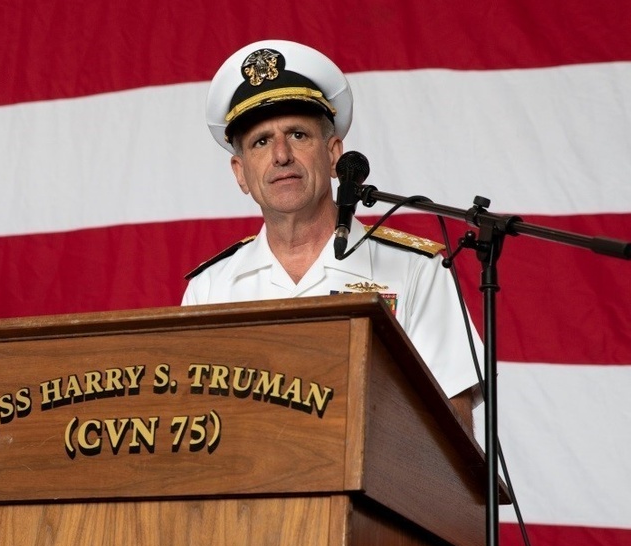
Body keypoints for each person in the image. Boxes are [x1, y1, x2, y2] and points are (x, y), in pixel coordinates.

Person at [182, 39, 480, 431]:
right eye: (261, 142)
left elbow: (452, 433)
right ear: (240, 173)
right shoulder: (210, 290)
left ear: (335, 154)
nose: (281, 155)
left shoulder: (416, 272)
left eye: (298, 135)